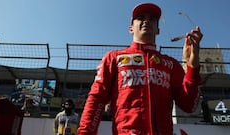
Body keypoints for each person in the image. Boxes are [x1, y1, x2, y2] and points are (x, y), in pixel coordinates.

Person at [78, 2, 203, 135]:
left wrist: (192, 67)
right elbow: (96, 99)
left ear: (158, 30)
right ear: (131, 28)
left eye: (152, 19)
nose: (146, 21)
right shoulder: (113, 58)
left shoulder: (170, 64)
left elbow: (189, 105)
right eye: (141, 17)